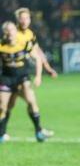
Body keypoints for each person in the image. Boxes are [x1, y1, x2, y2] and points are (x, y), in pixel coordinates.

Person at [2, 8, 56, 141]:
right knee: (7, 106)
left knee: (30, 100)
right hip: (7, 77)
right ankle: (2, 133)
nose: (24, 21)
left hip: (21, 75)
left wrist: (46, 68)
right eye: (22, 18)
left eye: (27, 18)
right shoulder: (10, 35)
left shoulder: (29, 35)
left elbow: (37, 52)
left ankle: (38, 131)